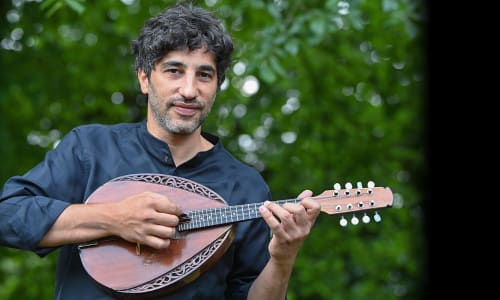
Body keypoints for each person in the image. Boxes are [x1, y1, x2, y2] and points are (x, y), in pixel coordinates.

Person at [0, 3, 320, 300]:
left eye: (204, 75)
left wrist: (283, 257)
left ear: (217, 86)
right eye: (174, 71)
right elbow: (8, 215)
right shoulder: (90, 148)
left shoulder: (246, 186)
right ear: (144, 78)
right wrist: (113, 219)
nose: (189, 90)